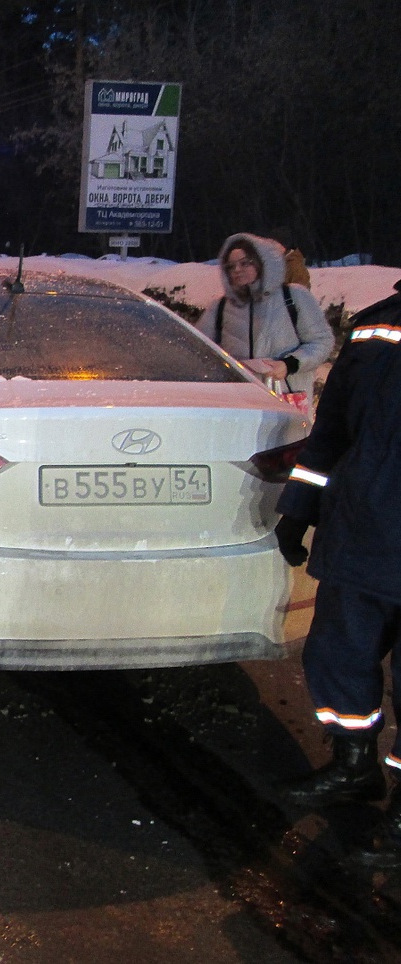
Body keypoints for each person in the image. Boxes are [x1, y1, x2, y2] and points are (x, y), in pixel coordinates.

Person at [273, 278, 401, 870]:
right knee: (335, 657)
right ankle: (354, 766)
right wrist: (298, 509)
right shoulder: (377, 325)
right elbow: (332, 435)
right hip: (361, 534)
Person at [198, 232, 333, 400]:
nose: (237, 270)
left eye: (245, 263)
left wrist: (288, 365)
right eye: (231, 266)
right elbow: (198, 350)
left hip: (286, 400)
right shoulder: (220, 307)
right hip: (239, 403)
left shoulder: (294, 297)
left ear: (263, 262)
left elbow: (321, 341)